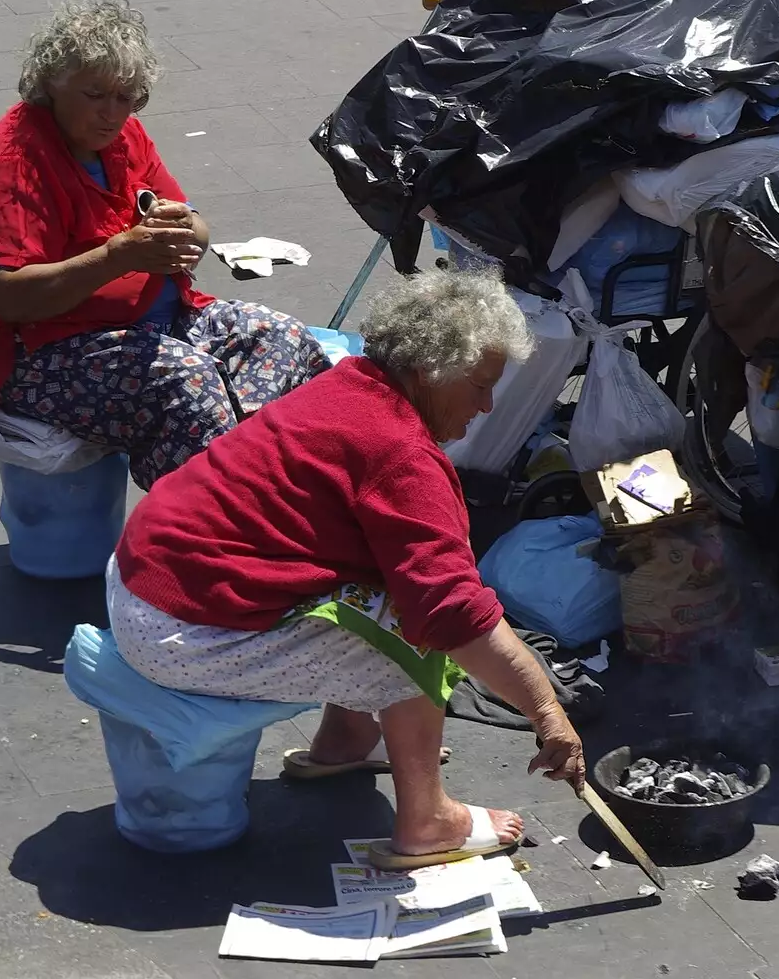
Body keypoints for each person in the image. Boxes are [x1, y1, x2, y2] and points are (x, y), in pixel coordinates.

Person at [107, 268, 586, 869]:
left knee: (386, 592)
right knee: (417, 638)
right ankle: (428, 822)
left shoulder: (350, 385)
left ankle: (344, 742)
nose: (486, 406)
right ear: (429, 372)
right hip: (181, 628)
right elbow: (453, 616)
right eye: (479, 386)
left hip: (142, 578)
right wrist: (547, 712)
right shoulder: (402, 453)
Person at [0, 0, 329, 490]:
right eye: (95, 95)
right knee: (186, 384)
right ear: (50, 86)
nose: (112, 114)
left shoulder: (125, 136)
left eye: (126, 98)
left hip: (158, 320)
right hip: (42, 351)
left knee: (281, 337)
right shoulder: (10, 165)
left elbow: (195, 226)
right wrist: (119, 255)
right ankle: (206, 527)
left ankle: (273, 485)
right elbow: (12, 296)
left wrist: (184, 229)